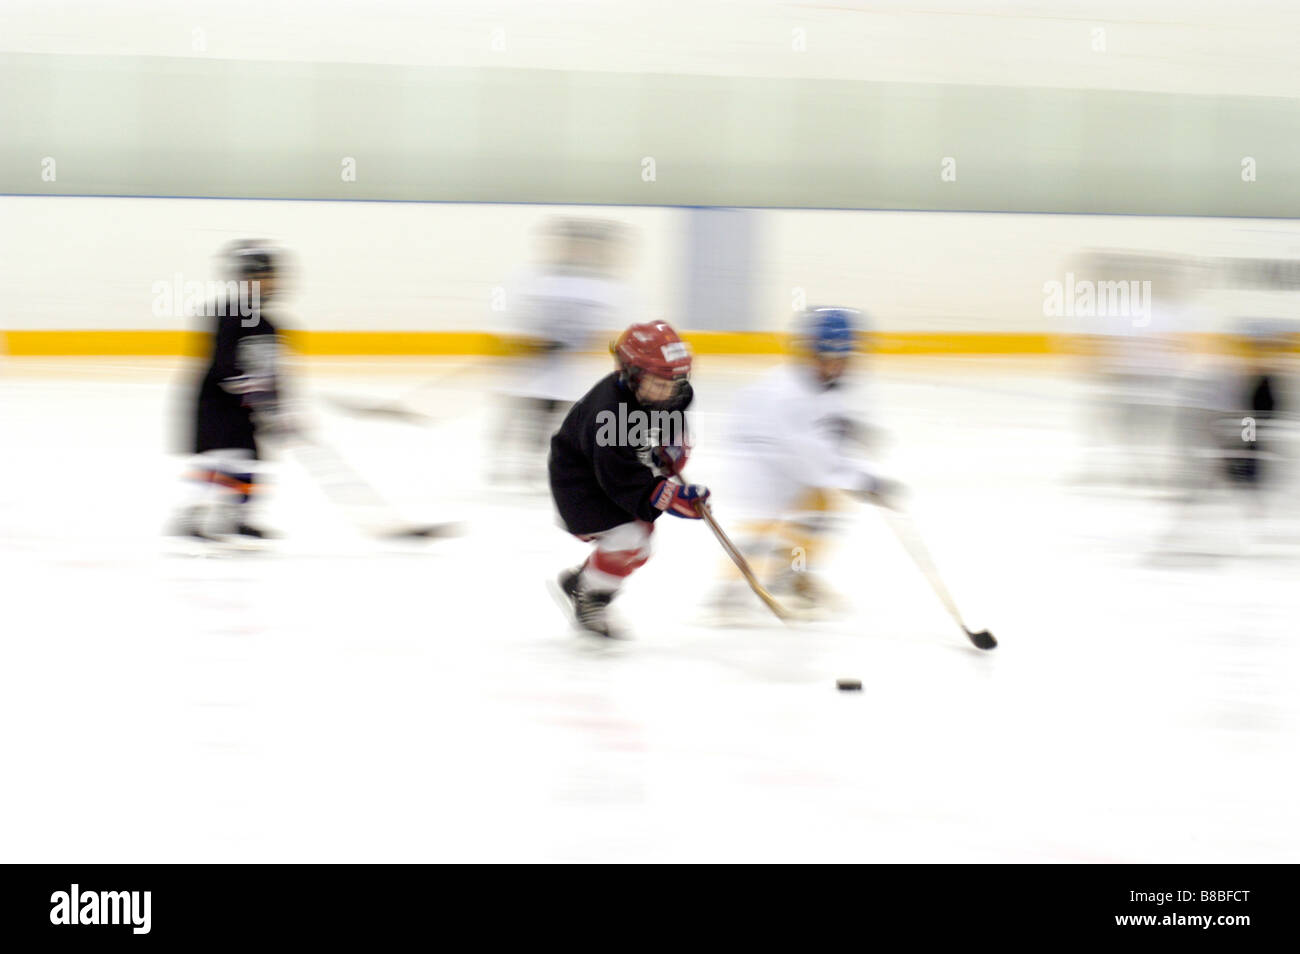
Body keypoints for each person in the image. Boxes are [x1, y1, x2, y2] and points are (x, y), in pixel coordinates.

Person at [712, 306, 899, 617]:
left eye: (843, 358)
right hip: (762, 461)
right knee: (764, 523)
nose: (836, 366)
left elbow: (824, 426)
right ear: (810, 353)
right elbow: (819, 463)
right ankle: (729, 594)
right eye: (827, 358)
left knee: (822, 507)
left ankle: (790, 574)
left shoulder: (818, 383)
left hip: (787, 457)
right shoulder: (789, 395)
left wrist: (846, 424)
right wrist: (865, 482)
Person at [548, 320, 708, 637]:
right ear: (630, 374)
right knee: (627, 540)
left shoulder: (666, 392)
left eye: (674, 382)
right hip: (581, 482)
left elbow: (674, 416)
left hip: (612, 470)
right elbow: (620, 476)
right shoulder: (606, 414)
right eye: (658, 383)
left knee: (642, 546)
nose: (668, 391)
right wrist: (673, 496)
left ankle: (583, 581)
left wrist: (673, 446)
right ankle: (590, 598)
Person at [171, 240, 290, 545]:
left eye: (269, 276)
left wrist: (279, 409)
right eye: (259, 276)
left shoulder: (269, 326)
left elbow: (273, 372)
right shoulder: (226, 315)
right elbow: (222, 365)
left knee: (246, 461)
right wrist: (250, 388)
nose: (266, 282)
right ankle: (191, 516)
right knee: (216, 460)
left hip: (247, 408)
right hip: (217, 404)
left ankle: (238, 518)